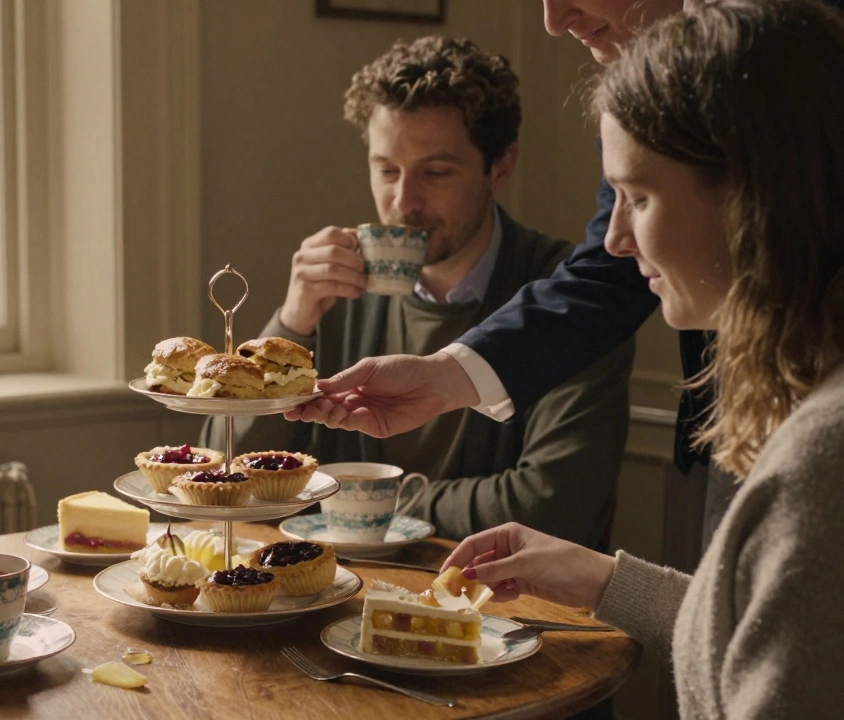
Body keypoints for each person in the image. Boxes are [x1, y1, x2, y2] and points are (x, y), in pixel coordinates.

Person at [440, 1, 844, 716]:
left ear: (751, 197)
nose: (617, 241)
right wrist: (600, 580)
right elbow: (765, 627)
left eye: (640, 197)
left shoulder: (821, 462)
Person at [204, 36, 632, 547]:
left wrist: (348, 498)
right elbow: (230, 477)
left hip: (500, 604)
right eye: (386, 170)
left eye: (435, 172)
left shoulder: (573, 299)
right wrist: (291, 322)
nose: (404, 202)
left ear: (501, 165)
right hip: (336, 590)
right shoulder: (334, 292)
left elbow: (552, 508)